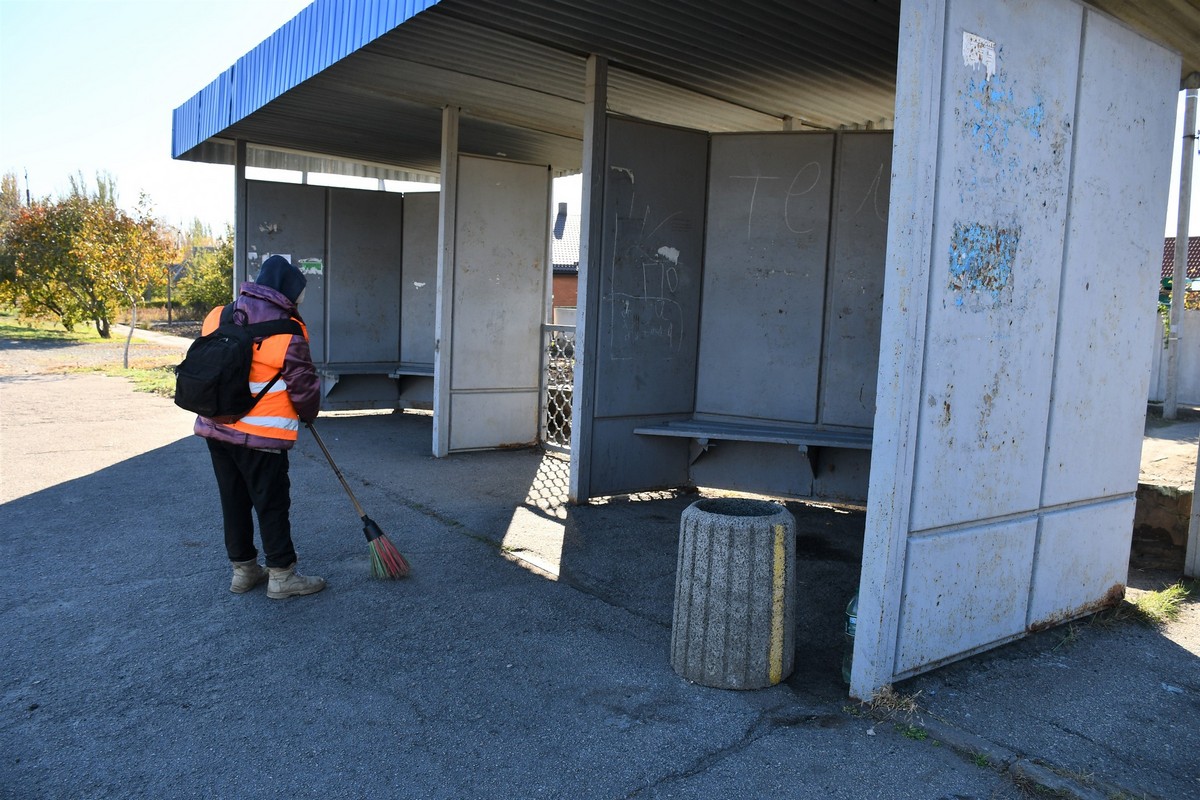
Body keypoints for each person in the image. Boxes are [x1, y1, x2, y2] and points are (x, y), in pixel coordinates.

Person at [194, 254, 325, 599]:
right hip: (262, 435)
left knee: (233, 500)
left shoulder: (218, 315)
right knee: (271, 503)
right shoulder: (289, 331)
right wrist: (310, 413)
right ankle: (281, 575)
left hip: (215, 427)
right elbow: (304, 387)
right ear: (288, 291)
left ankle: (244, 571)